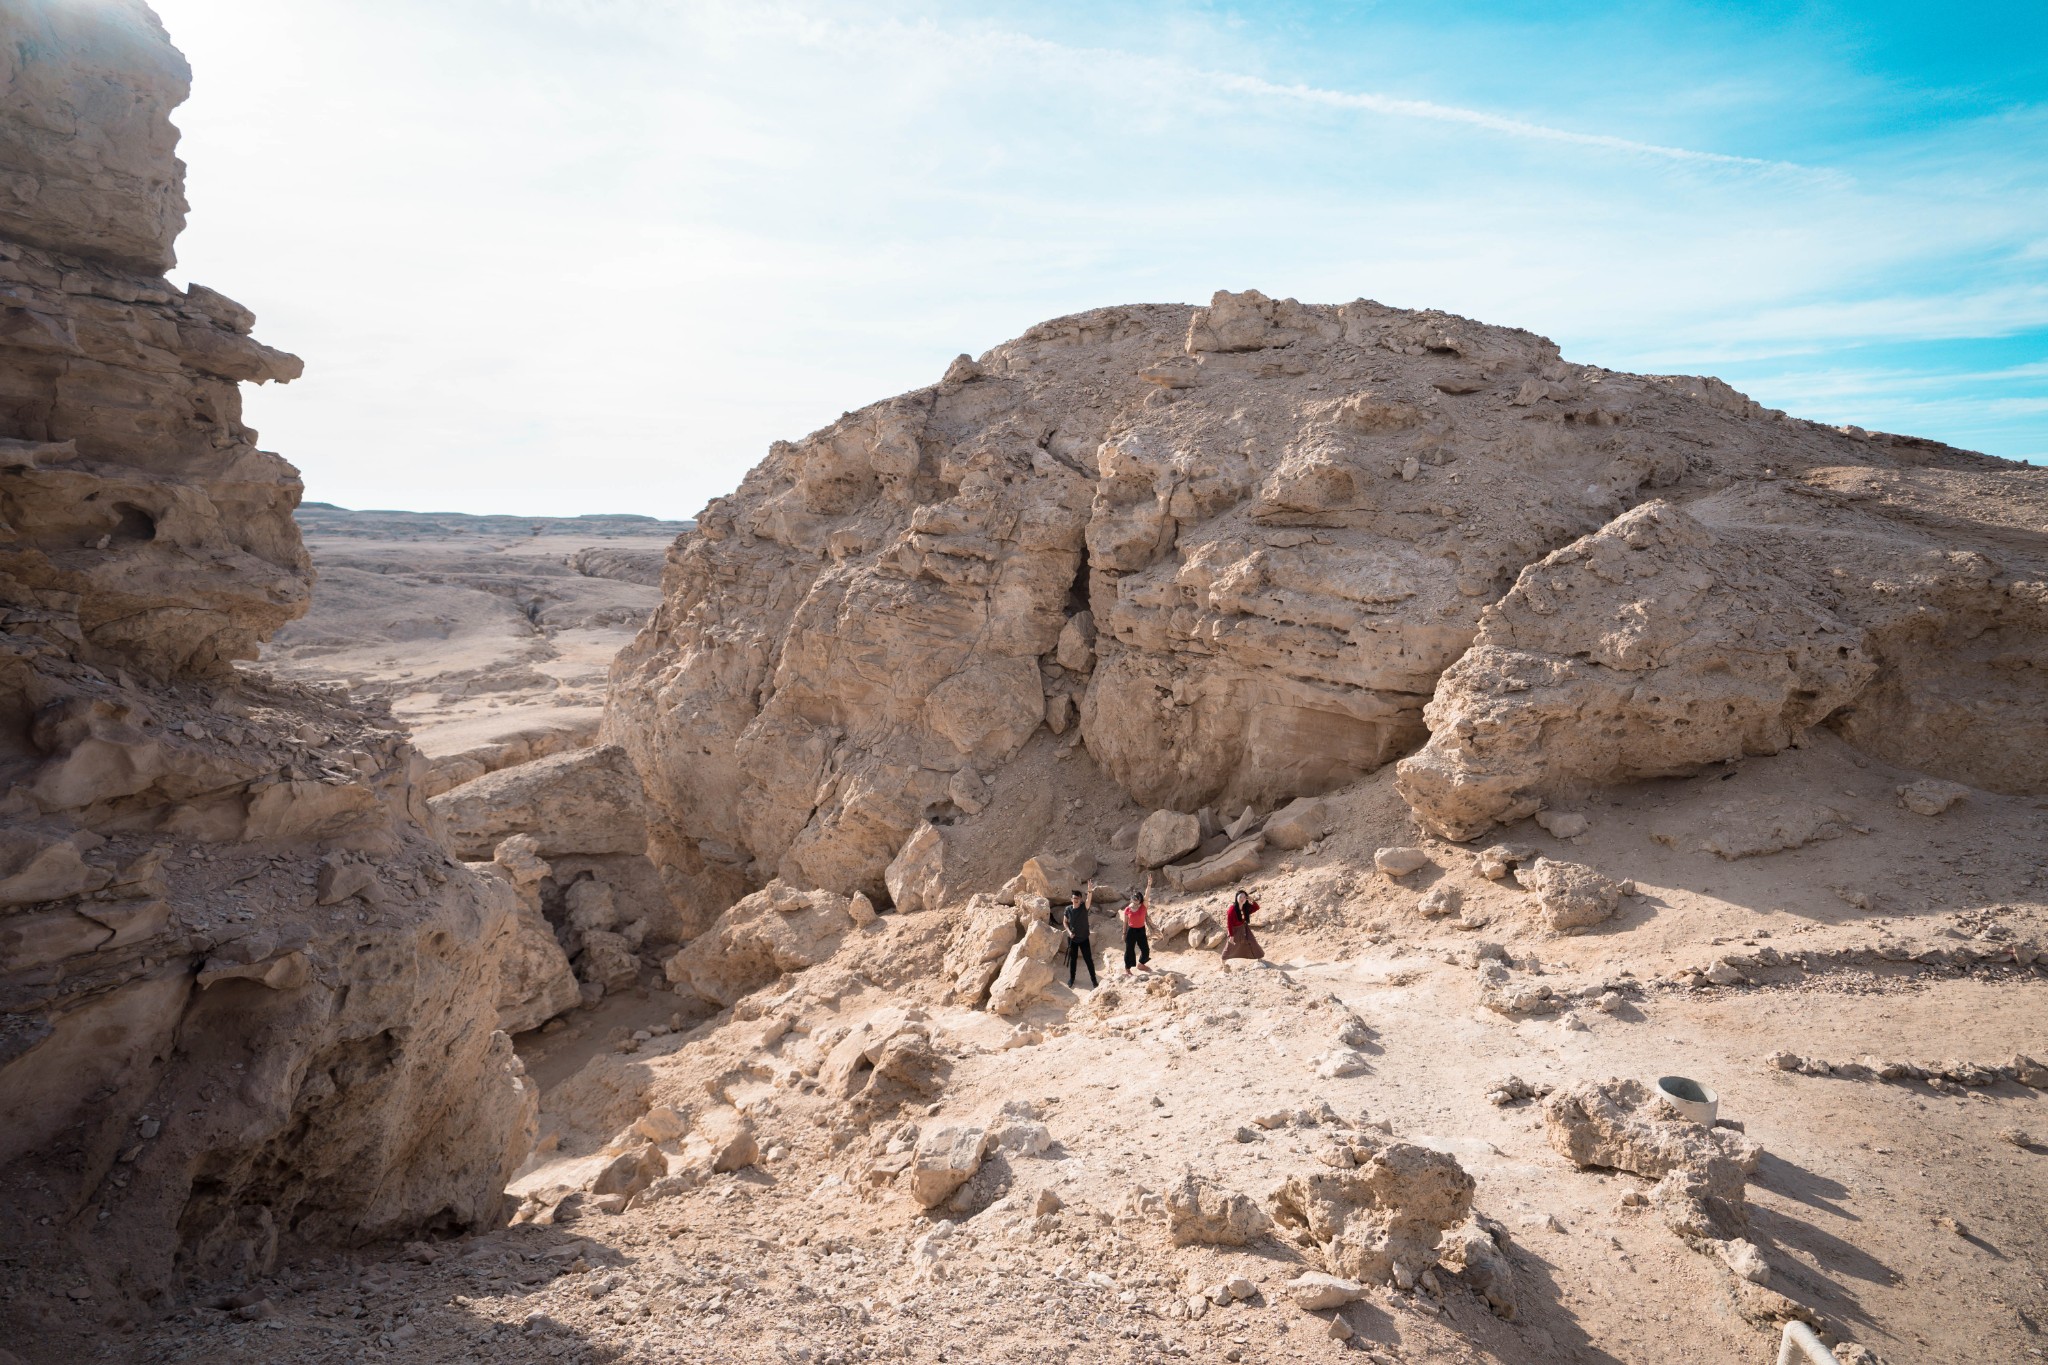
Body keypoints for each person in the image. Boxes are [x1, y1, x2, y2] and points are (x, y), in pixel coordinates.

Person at [1061, 882, 1099, 988]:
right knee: (1073, 960)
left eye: (1077, 898)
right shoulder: (1068, 909)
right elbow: (1064, 922)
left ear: (1081, 899)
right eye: (1074, 898)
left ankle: (1094, 980)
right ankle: (1072, 979)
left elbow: (1088, 901)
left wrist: (1089, 890)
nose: (1076, 900)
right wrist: (1068, 932)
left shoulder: (1083, 907)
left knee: (1088, 960)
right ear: (1071, 899)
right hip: (1072, 939)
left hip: (1084, 939)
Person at [1221, 888, 1264, 961]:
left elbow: (1257, 907)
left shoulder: (1245, 908)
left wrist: (1251, 900)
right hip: (1235, 931)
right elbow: (1229, 923)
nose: (1242, 899)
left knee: (1252, 941)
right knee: (1231, 946)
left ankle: (1259, 958)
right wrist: (1231, 935)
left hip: (1244, 928)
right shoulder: (1232, 909)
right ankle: (1223, 961)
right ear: (1236, 898)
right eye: (1240, 897)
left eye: (1244, 897)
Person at [1121, 887, 1151, 976]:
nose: (1135, 899)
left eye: (1137, 898)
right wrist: (1124, 933)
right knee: (1129, 950)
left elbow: (1147, 895)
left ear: (1140, 900)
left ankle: (1141, 964)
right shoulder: (1127, 909)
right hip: (1131, 931)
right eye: (1134, 897)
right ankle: (1127, 969)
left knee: (1145, 950)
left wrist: (1149, 885)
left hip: (1141, 930)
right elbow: (1125, 922)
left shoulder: (1143, 907)